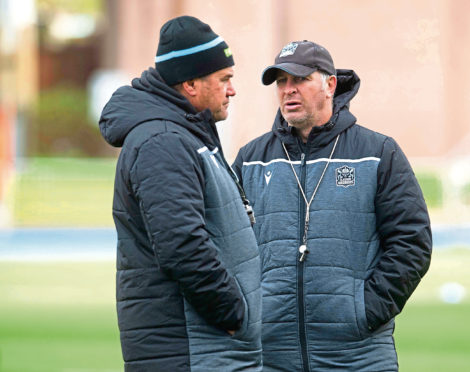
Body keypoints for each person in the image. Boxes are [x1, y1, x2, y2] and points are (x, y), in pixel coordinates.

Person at [232, 40, 432, 371]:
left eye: (299, 79)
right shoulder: (251, 159)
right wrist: (250, 312)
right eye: (281, 81)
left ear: (330, 84)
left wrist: (365, 310)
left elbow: (412, 240)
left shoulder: (378, 152)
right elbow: (228, 246)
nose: (288, 90)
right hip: (271, 357)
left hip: (358, 357)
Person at [99, 16, 262, 371]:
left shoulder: (182, 133)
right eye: (224, 80)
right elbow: (182, 245)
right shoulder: (163, 142)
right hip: (191, 350)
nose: (231, 90)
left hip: (206, 349)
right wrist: (233, 313)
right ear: (190, 83)